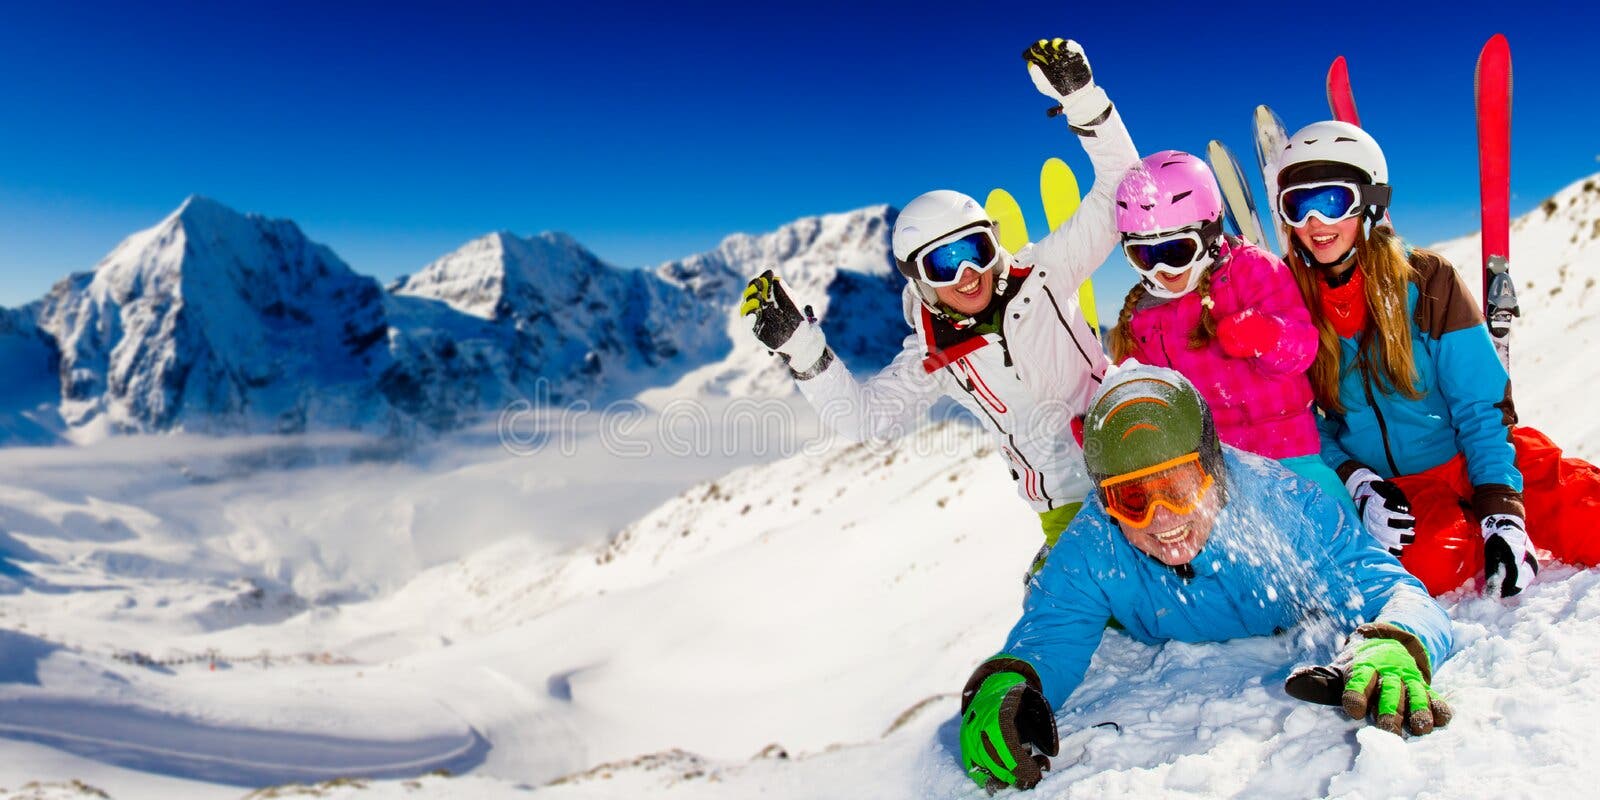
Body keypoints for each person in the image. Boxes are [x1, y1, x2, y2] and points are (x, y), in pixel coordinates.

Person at [957, 365, 1452, 792]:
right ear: (1107, 503)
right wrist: (1008, 681)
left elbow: (1393, 588)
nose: (1160, 518)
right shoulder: (1094, 543)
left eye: (1179, 487)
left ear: (1213, 471)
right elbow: (1052, 631)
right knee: (1058, 583)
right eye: (1132, 499)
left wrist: (1396, 642)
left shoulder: (1283, 508)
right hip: (1132, 610)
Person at [741, 38, 1139, 553]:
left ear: (995, 242)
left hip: (1133, 458)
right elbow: (863, 418)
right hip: (1063, 504)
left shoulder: (1045, 274)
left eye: (975, 248)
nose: (968, 273)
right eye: (943, 264)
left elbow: (1118, 193)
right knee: (1090, 617)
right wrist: (804, 353)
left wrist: (1084, 100)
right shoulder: (936, 358)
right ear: (919, 280)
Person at [1274, 119, 1600, 597]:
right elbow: (1298, 421)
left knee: (1587, 518)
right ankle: (1469, 529)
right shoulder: (1287, 303)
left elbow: (1479, 403)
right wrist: (1355, 480)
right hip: (1402, 487)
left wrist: (1502, 505)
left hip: (1475, 451)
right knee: (1431, 563)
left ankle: (1502, 518)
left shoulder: (1427, 280)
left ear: (1369, 202)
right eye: (1298, 206)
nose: (1315, 224)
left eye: (1332, 201)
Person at [1105, 150, 1355, 518]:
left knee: (1331, 532)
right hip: (1213, 472)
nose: (1161, 269)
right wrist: (1120, 424)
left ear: (1209, 234)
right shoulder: (1142, 317)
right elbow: (1149, 396)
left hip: (1289, 452)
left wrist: (1267, 336)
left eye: (1177, 250)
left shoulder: (1252, 271)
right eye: (1144, 254)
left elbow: (1303, 348)